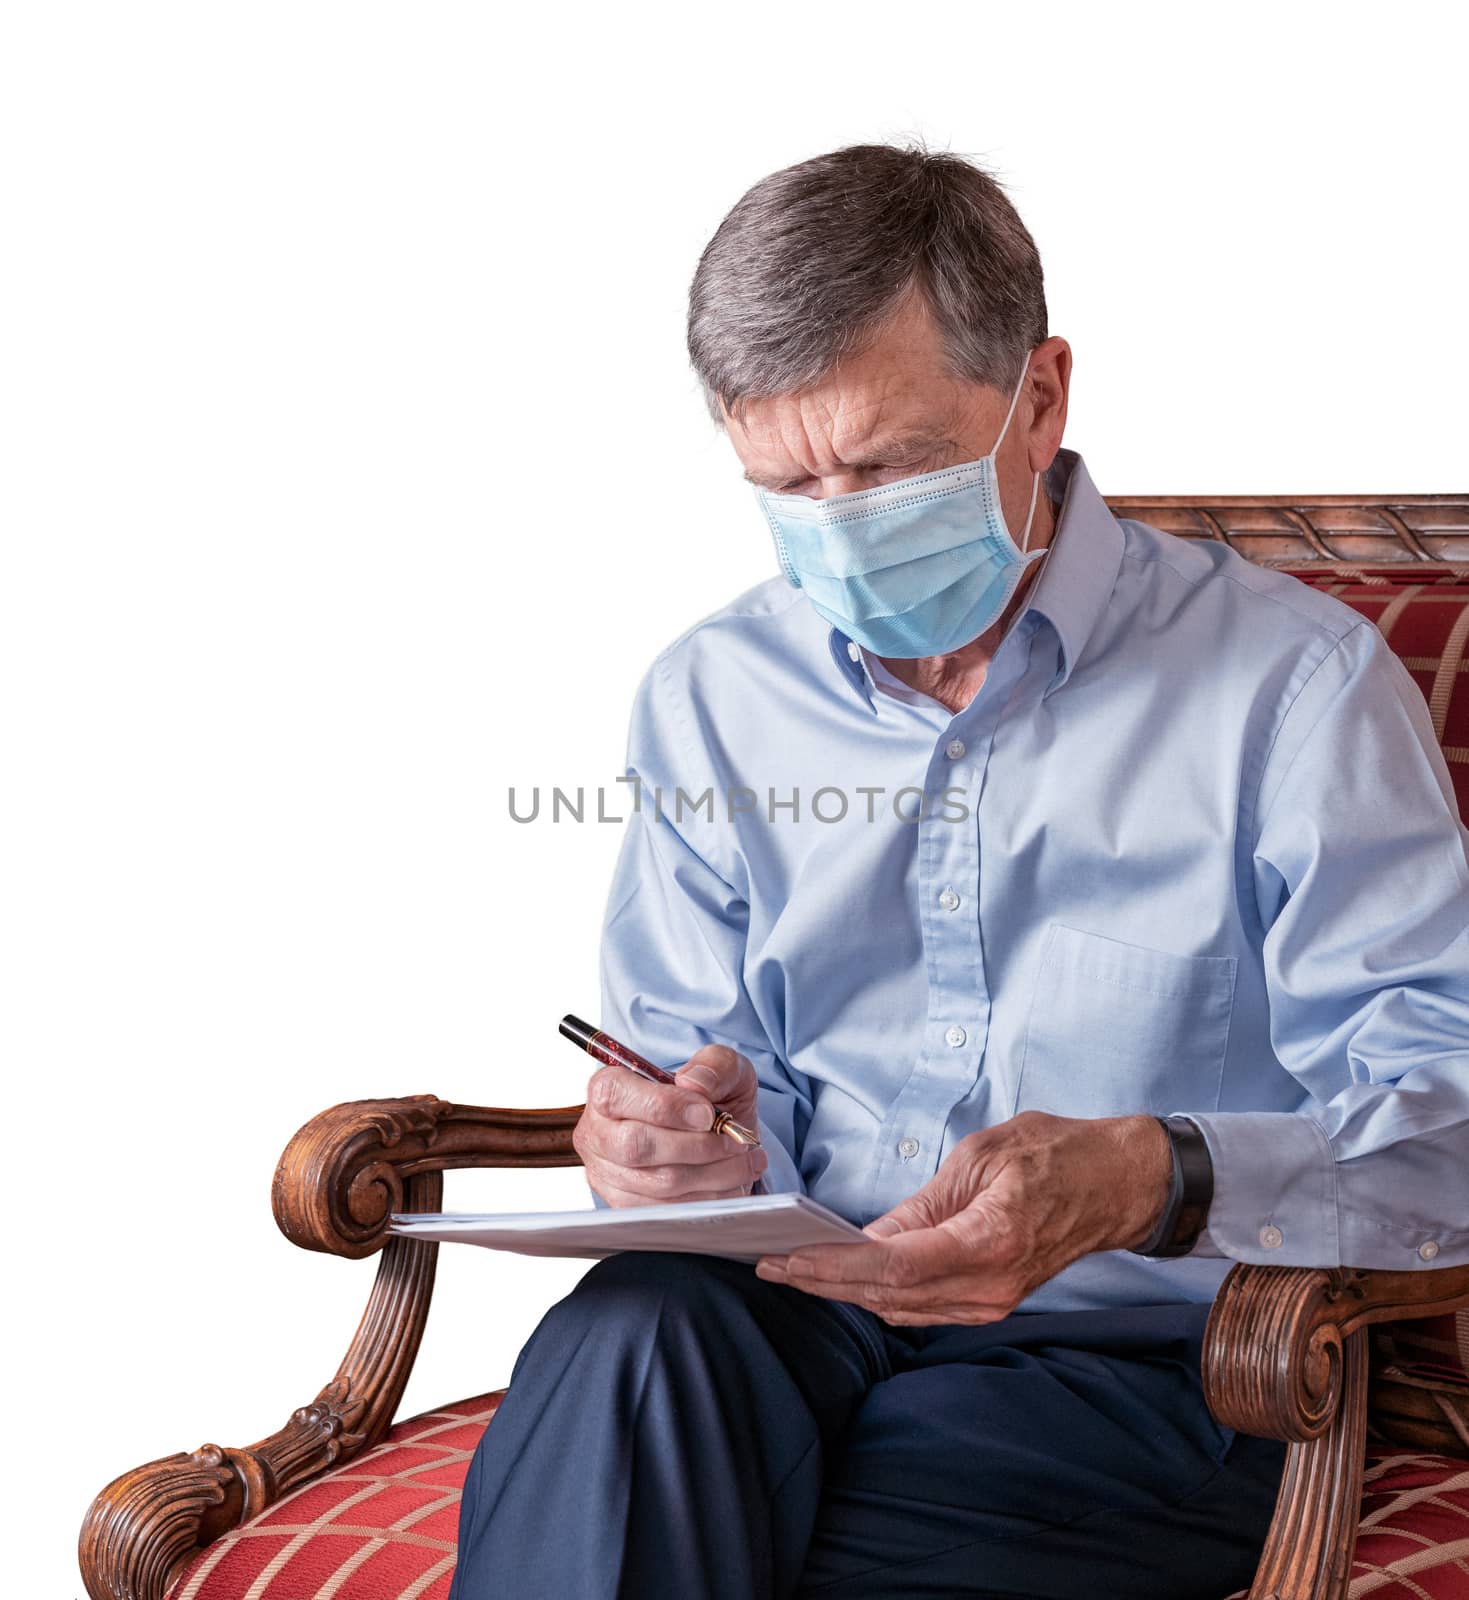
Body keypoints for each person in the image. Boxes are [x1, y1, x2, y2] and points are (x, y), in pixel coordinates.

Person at [448, 140, 1469, 1599]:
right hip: (797, 1303)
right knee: (627, 1332)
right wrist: (674, 1148)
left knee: (681, 1526)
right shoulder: (713, 692)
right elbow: (696, 1071)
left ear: (1037, 399)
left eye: (884, 466)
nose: (839, 527)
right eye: (788, 486)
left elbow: (1449, 1124)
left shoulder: (1289, 690)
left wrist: (1150, 1175)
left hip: (1140, 1354)